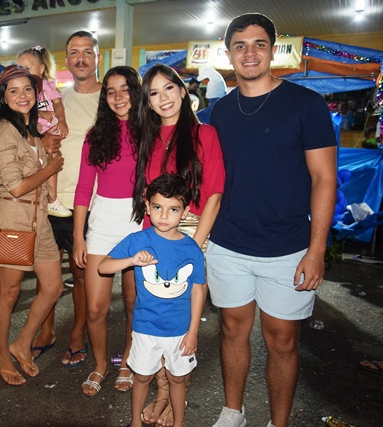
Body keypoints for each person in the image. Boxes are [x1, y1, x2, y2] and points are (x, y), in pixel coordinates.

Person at [207, 13, 337, 427]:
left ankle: (278, 423)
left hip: (288, 247)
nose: (250, 53)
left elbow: (324, 179)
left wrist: (316, 251)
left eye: (259, 44)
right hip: (228, 244)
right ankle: (233, 412)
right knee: (232, 330)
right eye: (240, 45)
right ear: (229, 54)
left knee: (282, 341)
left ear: (273, 49)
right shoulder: (219, 112)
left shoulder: (306, 105)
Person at [133, 63, 225, 426]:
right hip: (155, 236)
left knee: (184, 322)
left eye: (169, 88)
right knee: (158, 318)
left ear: (183, 91)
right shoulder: (149, 139)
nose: (163, 98)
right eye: (154, 93)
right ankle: (162, 393)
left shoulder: (205, 134)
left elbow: (214, 194)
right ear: (148, 102)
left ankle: (176, 396)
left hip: (192, 234)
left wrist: (193, 248)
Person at [99, 173, 207, 427]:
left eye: (173, 209)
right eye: (157, 207)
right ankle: (136, 422)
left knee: (177, 379)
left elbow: (198, 291)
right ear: (147, 207)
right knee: (142, 377)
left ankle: (178, 423)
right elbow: (103, 266)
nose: (164, 215)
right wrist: (131, 260)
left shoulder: (192, 248)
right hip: (145, 327)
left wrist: (193, 332)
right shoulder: (138, 241)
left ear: (185, 212)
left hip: (180, 330)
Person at [30, 30, 102, 369]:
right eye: (74, 52)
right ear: (66, 59)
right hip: (50, 198)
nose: (81, 58)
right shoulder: (54, 96)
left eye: (87, 51)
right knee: (46, 274)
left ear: (98, 57)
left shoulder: (111, 98)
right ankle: (46, 331)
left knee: (81, 273)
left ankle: (77, 334)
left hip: (90, 202)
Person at [0, 65, 64, 386]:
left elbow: (50, 190)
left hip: (39, 216)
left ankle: (22, 343)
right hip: (14, 215)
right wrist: (51, 168)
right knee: (8, 293)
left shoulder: (32, 131)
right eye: (14, 90)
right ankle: (0, 354)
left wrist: (50, 159)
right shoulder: (5, 129)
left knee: (54, 286)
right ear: (3, 97)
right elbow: (17, 186)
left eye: (28, 89)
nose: (22, 95)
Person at [72, 66, 143, 395]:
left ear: (136, 92)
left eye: (125, 89)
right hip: (101, 226)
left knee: (133, 303)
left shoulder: (150, 131)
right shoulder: (96, 135)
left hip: (138, 224)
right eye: (111, 91)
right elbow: (83, 189)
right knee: (95, 307)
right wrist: (78, 237)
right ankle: (100, 365)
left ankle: (127, 361)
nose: (118, 96)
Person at [16, 45, 71, 218]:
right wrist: (39, 113)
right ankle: (48, 198)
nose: (23, 72)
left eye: (27, 68)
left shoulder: (47, 86)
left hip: (49, 129)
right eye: (19, 68)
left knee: (53, 159)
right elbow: (20, 110)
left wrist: (61, 120)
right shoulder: (23, 90)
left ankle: (51, 199)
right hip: (33, 131)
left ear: (41, 68)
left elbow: (58, 104)